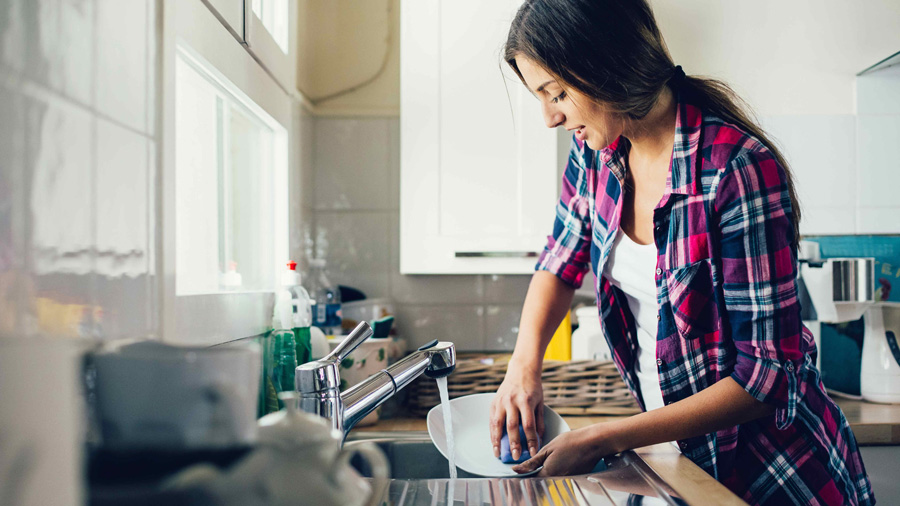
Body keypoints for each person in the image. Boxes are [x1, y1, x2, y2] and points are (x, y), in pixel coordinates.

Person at [489, 0, 874, 504]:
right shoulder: (597, 154)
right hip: (669, 460)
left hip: (774, 475)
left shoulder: (737, 170)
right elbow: (561, 261)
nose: (549, 118)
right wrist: (523, 367)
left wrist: (609, 435)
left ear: (607, 66)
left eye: (557, 93)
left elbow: (766, 375)